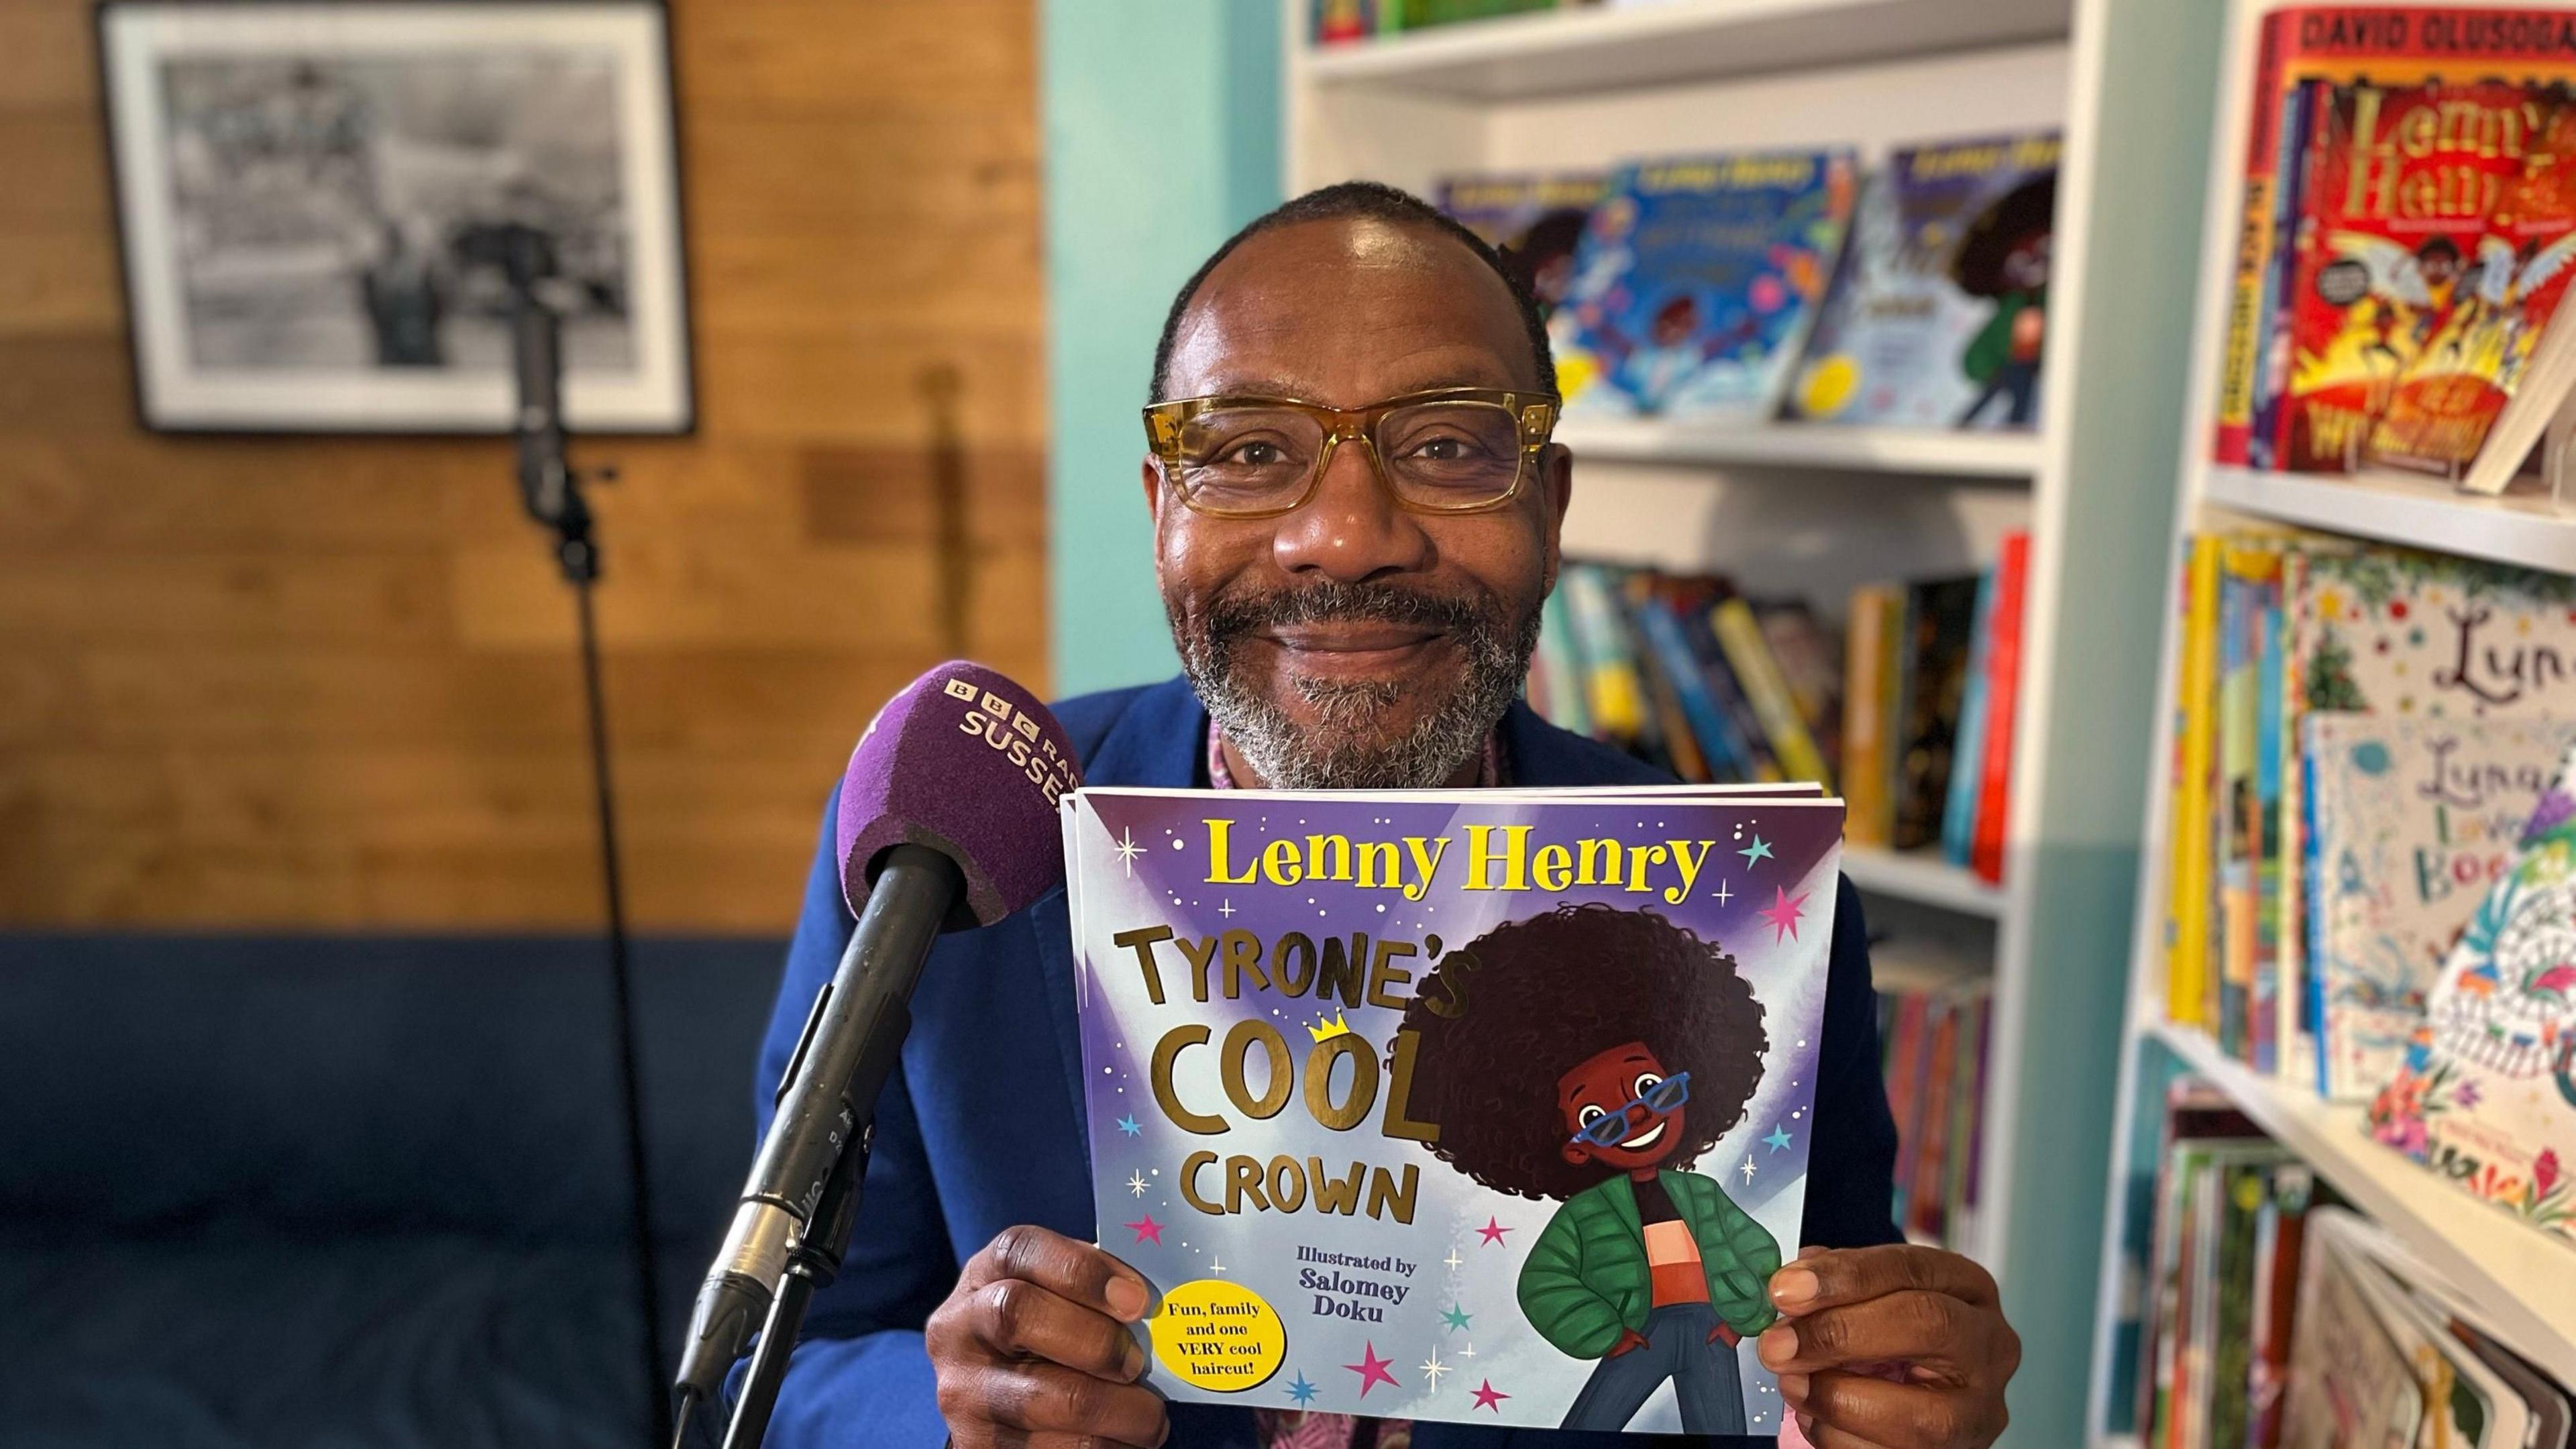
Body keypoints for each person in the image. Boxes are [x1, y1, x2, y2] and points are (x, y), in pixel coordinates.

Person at [746, 181, 2022, 1449]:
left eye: (1450, 445)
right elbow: (779, 1362)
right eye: (1248, 451)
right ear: (1159, 510)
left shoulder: (1754, 904)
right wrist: (952, 1411)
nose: (1345, 537)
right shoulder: (951, 846)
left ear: (1550, 506)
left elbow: (1807, 1359)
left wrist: (1882, 1389)